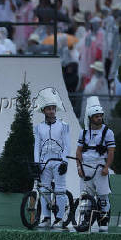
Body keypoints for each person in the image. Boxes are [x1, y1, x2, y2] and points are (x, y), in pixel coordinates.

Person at [76, 96, 116, 232]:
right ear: (90, 117)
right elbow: (79, 151)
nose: (99, 118)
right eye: (96, 116)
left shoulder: (108, 132)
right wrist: (78, 167)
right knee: (86, 197)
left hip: (100, 167)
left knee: (103, 197)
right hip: (85, 166)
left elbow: (111, 152)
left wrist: (106, 167)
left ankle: (103, 222)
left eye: (100, 116)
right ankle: (85, 221)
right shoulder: (83, 133)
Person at [33, 87, 70, 228]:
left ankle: (59, 218)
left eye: (53, 108)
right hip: (44, 161)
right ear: (43, 110)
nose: (51, 111)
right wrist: (37, 163)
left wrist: (65, 161)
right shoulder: (39, 127)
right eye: (48, 108)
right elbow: (37, 146)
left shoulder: (63, 125)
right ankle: (46, 218)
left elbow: (67, 145)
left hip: (58, 161)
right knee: (44, 189)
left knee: (60, 189)